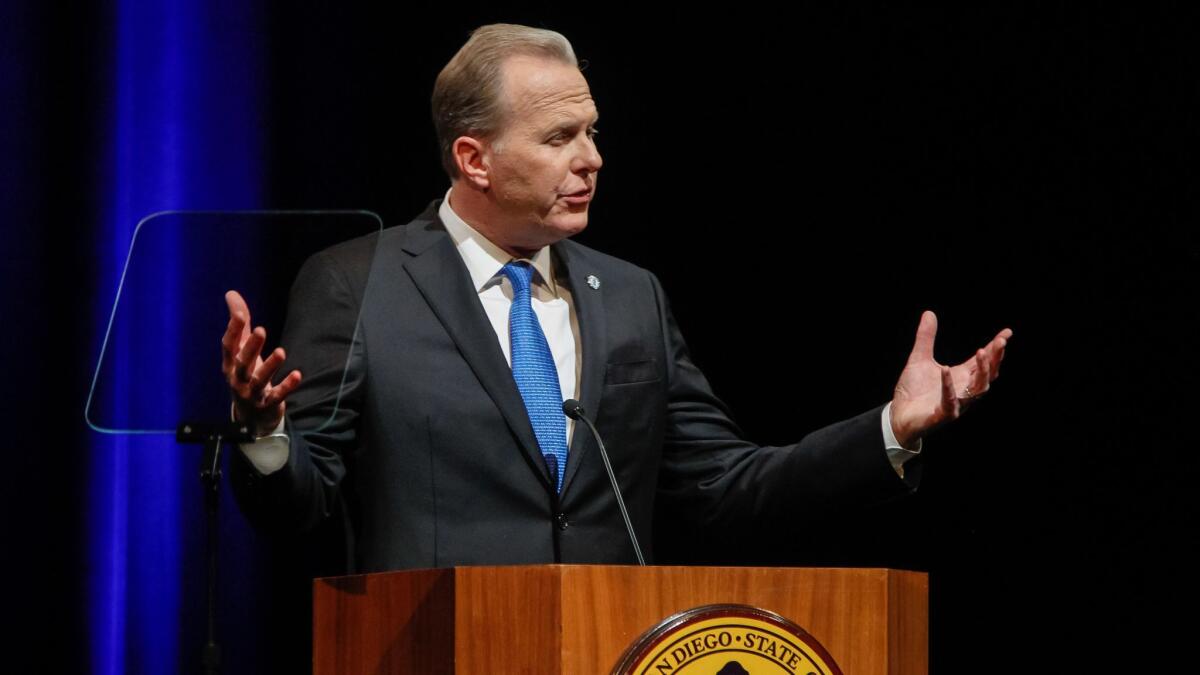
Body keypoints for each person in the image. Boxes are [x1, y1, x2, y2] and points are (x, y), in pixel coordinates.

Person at [222, 24, 1011, 572]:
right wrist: (264, 432)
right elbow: (301, 502)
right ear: (475, 159)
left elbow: (729, 487)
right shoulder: (360, 282)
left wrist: (889, 430)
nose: (592, 159)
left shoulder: (631, 296)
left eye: (592, 132)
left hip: (610, 647)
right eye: (560, 138)